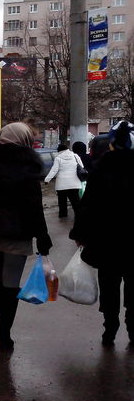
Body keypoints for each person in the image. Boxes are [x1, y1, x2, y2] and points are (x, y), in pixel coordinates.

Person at [0, 122, 52, 349]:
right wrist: (43, 236)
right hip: (17, 233)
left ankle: (2, 323)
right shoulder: (27, 165)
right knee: (10, 282)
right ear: (24, 140)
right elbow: (34, 207)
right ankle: (5, 331)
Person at [70, 120, 134, 346]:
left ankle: (110, 328)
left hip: (107, 240)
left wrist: (80, 233)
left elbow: (87, 205)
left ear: (113, 144)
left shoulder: (101, 168)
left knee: (109, 283)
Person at [44, 143, 83, 218]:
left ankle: (63, 215)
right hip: (74, 184)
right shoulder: (75, 156)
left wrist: (47, 180)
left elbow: (54, 170)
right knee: (75, 201)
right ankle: (79, 216)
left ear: (59, 151)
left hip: (61, 185)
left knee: (62, 202)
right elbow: (81, 166)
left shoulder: (58, 158)